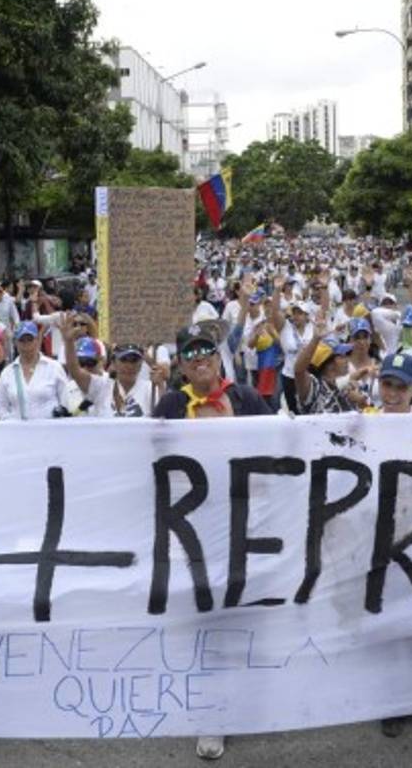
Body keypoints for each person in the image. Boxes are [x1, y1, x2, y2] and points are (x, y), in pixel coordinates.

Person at [153, 325, 272, 763]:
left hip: (247, 525)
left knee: (243, 618)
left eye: (207, 349)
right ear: (182, 365)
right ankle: (213, 714)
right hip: (194, 533)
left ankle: (242, 701)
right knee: (208, 620)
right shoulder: (171, 403)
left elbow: (276, 444)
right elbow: (148, 456)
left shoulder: (245, 398)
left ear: (219, 357)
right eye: (190, 352)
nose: (199, 357)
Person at [0, 322, 68, 421]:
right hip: (17, 432)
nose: (26, 345)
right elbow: (0, 404)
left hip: (50, 430)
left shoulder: (54, 367)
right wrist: (9, 422)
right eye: (22, 341)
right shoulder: (7, 372)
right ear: (16, 343)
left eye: (30, 340)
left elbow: (66, 400)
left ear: (37, 340)